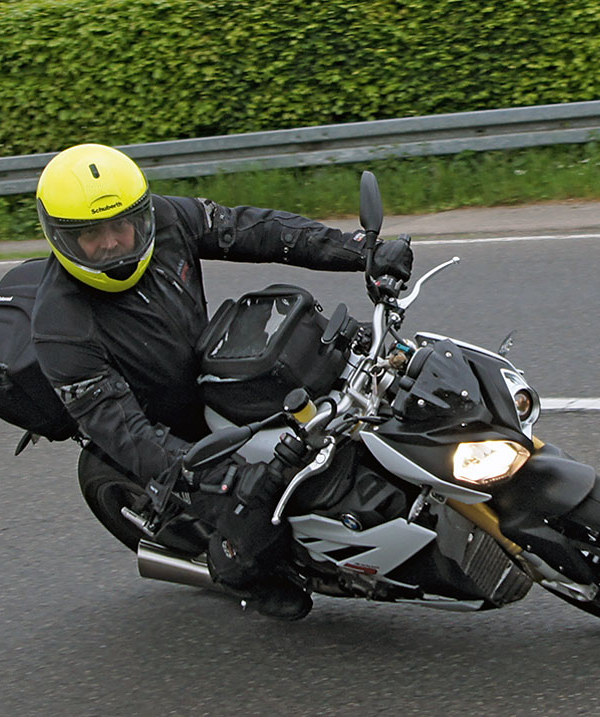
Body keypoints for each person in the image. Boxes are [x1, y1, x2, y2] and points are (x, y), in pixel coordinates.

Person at [31, 143, 412, 619]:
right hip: (169, 431)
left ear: (141, 215)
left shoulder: (167, 220)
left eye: (120, 225)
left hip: (210, 374)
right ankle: (243, 576)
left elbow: (256, 229)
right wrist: (222, 478)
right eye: (92, 234)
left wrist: (357, 252)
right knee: (255, 509)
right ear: (62, 238)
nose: (112, 242)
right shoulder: (60, 325)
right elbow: (123, 432)